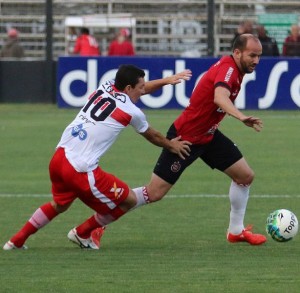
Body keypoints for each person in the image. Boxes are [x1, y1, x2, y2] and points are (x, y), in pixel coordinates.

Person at [88, 34, 267, 248]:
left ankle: (236, 231)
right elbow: (220, 97)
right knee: (153, 193)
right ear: (237, 52)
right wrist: (241, 117)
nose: (256, 61)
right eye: (252, 55)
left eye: (259, 56)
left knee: (245, 176)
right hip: (186, 138)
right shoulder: (228, 69)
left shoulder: (236, 70)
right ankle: (98, 224)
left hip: (208, 135)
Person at [3, 65, 192, 250]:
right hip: (80, 169)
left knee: (59, 204)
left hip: (59, 158)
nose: (144, 90)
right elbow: (153, 135)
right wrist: (171, 145)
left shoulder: (107, 85)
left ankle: (15, 241)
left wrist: (167, 81)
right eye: (141, 86)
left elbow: (140, 90)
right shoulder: (132, 112)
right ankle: (83, 232)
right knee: (129, 201)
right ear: (128, 88)